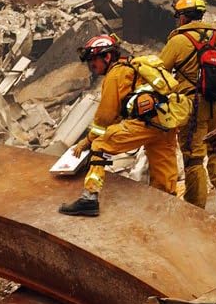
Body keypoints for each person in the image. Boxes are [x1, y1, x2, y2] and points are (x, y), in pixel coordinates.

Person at [60, 35, 180, 217]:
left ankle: (89, 198)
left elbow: (105, 117)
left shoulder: (116, 74)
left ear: (107, 57)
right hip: (166, 123)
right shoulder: (133, 68)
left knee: (100, 145)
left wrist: (87, 140)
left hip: (145, 124)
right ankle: (167, 209)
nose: (92, 67)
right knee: (164, 170)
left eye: (93, 62)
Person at [159, 0, 216, 220]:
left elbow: (161, 71)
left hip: (193, 104)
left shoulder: (177, 41)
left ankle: (196, 211)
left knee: (194, 157)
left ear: (183, 17)